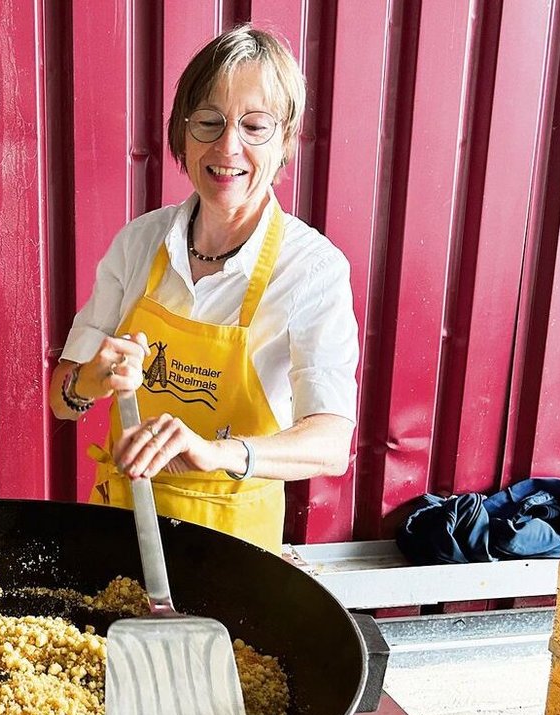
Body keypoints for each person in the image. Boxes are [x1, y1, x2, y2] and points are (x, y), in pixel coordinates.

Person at [49, 25, 357, 555]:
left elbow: (329, 445)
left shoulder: (311, 270)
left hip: (233, 549)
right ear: (181, 133)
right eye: (209, 123)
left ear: (284, 141)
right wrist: (89, 382)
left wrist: (215, 453)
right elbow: (62, 401)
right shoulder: (139, 243)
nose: (227, 147)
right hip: (119, 528)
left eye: (254, 126)